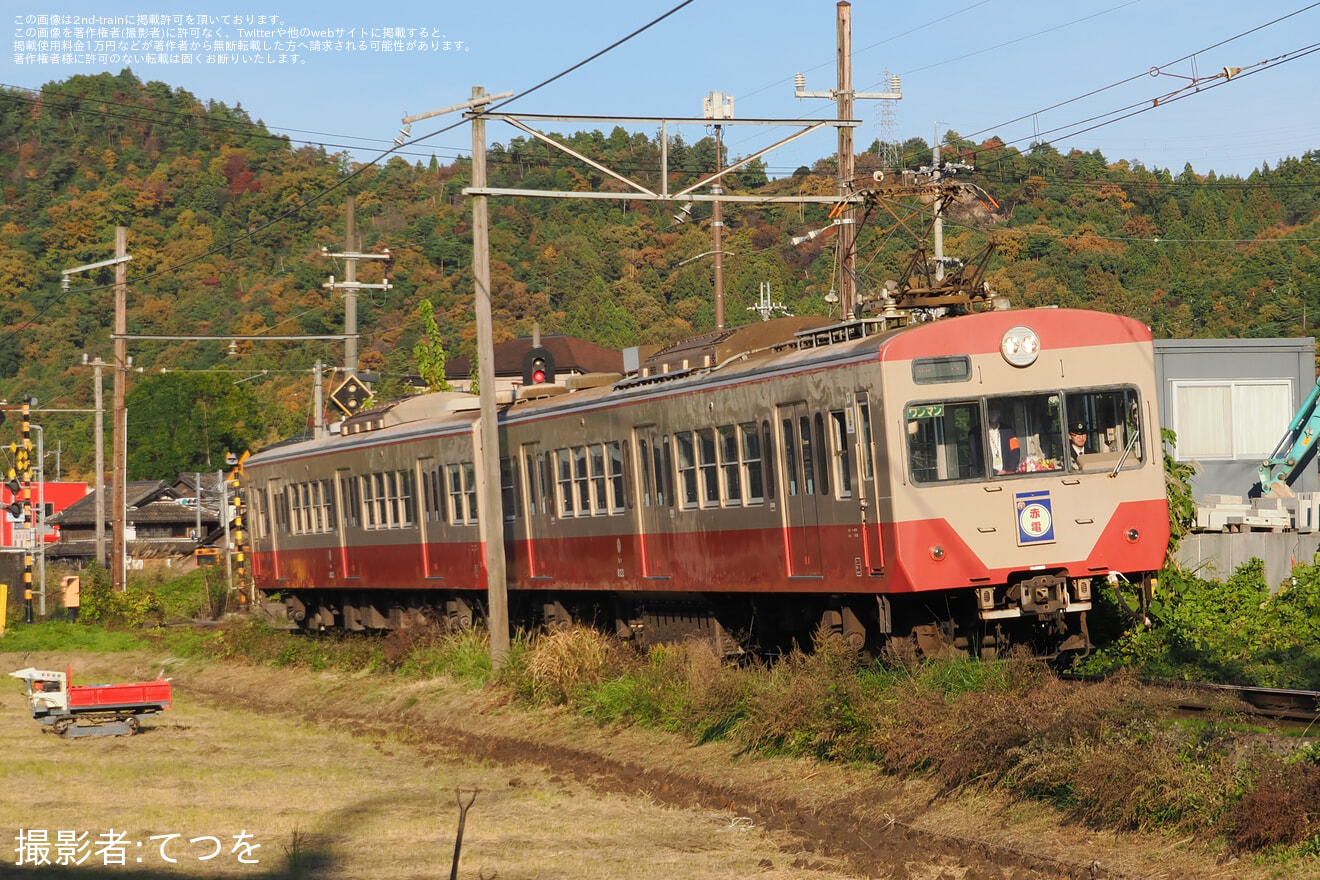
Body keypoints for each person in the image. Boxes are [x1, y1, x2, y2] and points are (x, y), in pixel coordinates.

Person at [987, 408, 1021, 474]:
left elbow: (1015, 451)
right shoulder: (977, 433)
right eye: (990, 409)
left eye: (995, 408)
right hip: (989, 476)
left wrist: (1008, 471)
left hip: (1007, 474)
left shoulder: (1008, 431)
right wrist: (995, 472)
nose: (993, 412)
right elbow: (977, 460)